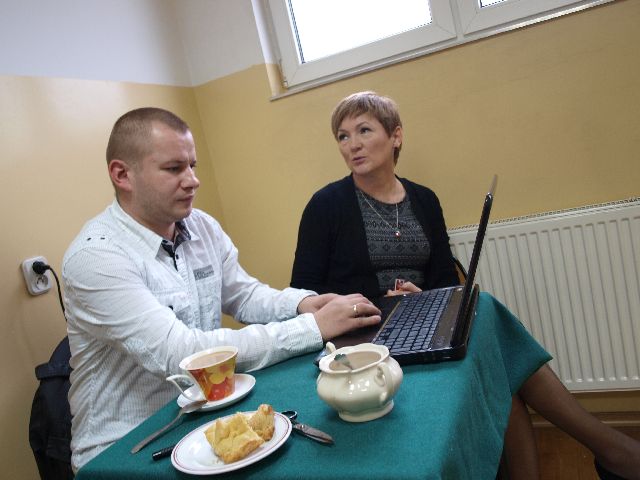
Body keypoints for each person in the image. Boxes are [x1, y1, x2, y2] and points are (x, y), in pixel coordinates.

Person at [291, 91, 640, 480]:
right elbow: (302, 294)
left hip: (422, 326)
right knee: (500, 373)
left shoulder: (424, 200)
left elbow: (445, 280)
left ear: (396, 136)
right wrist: (369, 303)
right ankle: (615, 452)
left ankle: (612, 452)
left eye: (363, 130)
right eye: (342, 136)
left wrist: (423, 298)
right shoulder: (325, 205)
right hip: (364, 339)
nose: (352, 144)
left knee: (497, 362)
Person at [62, 107, 381, 472]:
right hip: (124, 449)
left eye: (192, 165)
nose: (193, 180)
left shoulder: (200, 225)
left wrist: (304, 304)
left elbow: (243, 295)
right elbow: (183, 355)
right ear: (122, 175)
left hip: (197, 418)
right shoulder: (96, 258)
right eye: (174, 168)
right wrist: (312, 328)